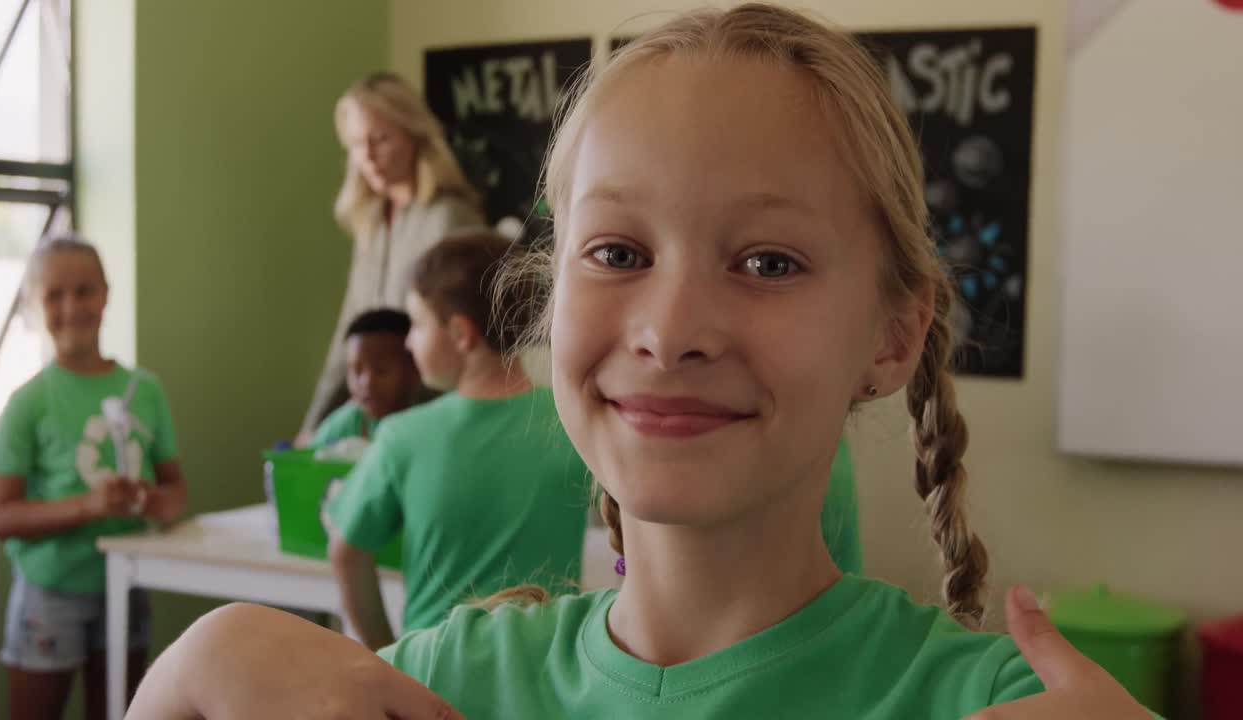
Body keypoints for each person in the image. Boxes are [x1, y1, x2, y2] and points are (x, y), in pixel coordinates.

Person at [126, 5, 1153, 718]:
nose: (670, 329)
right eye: (616, 253)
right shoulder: (437, 684)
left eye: (766, 261)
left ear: (889, 335)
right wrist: (190, 670)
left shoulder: (980, 706)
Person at [325, 230, 590, 649]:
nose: (409, 342)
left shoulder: (403, 436)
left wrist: (386, 654)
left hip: (432, 678)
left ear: (462, 334)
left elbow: (346, 551)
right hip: (551, 673)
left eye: (416, 324)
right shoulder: (572, 420)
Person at [0, 235, 187, 720]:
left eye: (84, 290)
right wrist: (88, 506)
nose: (72, 306)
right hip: (50, 591)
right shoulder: (27, 403)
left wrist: (154, 503)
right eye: (54, 295)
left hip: (127, 584)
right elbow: (0, 514)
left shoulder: (146, 391)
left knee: (121, 710)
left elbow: (174, 489)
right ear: (35, 305)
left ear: (106, 293)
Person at [299, 72, 484, 443]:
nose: (366, 156)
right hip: (378, 424)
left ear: (414, 136)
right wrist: (312, 426)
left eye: (380, 139)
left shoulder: (448, 217)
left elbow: (469, 345)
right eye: (355, 144)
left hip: (433, 422)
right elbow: (348, 335)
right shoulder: (372, 223)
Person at [308, 308, 420, 448]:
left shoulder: (424, 423)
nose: (367, 383)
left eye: (381, 370)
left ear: (415, 369)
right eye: (356, 370)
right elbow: (308, 459)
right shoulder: (346, 422)